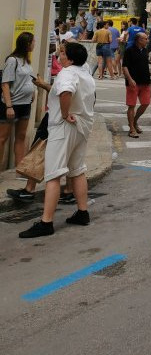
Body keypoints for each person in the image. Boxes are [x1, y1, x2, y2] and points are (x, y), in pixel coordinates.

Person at [18, 42, 97, 238]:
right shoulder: (85, 73)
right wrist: (46, 86)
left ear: (70, 59)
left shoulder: (67, 73)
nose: (59, 55)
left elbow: (66, 92)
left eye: (62, 53)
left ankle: (46, 222)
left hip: (65, 126)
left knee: (53, 174)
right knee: (77, 170)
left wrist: (63, 113)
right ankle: (82, 212)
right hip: (82, 125)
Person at [1, 32, 49, 186]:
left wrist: (32, 92)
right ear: (26, 43)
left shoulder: (26, 61)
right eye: (33, 41)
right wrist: (9, 106)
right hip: (11, 105)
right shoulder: (12, 60)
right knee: (2, 138)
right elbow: (5, 84)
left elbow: (27, 79)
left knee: (21, 137)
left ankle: (20, 169)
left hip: (25, 104)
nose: (34, 44)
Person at [122, 31, 151, 138]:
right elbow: (124, 66)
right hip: (133, 82)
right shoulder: (129, 50)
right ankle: (131, 128)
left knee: (145, 103)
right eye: (145, 39)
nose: (147, 40)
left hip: (145, 81)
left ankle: (134, 121)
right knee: (131, 105)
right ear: (139, 40)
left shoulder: (145, 50)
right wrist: (129, 79)